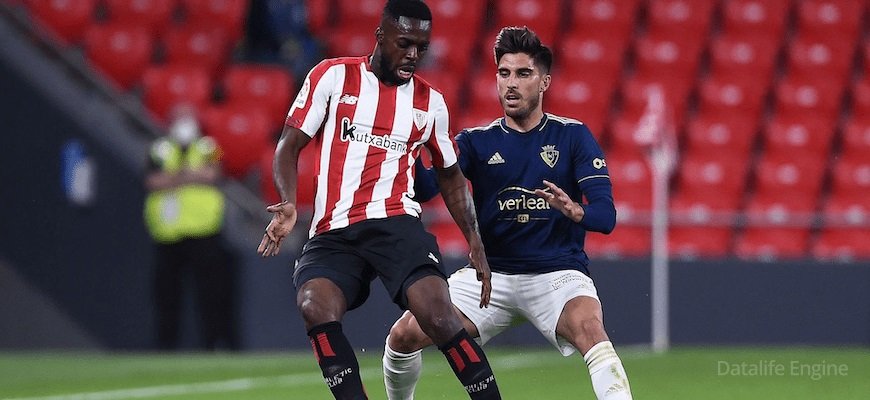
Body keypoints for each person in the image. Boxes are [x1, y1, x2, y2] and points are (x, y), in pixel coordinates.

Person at [257, 1, 501, 399]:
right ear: (380, 36)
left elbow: (450, 175)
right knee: (313, 305)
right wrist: (287, 201)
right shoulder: (333, 76)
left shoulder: (430, 103)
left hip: (396, 223)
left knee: (438, 314)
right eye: (405, 43)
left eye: (422, 47)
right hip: (333, 229)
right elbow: (289, 144)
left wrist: (474, 238)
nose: (413, 55)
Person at [382, 26, 633, 399]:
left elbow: (606, 217)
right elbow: (424, 189)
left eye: (523, 73)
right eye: (504, 73)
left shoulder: (572, 136)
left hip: (557, 275)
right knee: (403, 335)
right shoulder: (476, 142)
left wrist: (576, 211)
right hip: (492, 278)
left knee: (591, 331)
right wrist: (412, 145)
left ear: (544, 82)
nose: (511, 84)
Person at [144, 106, 238, 350]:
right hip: (168, 233)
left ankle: (213, 344)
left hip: (204, 231)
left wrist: (174, 177)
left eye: (188, 117)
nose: (184, 122)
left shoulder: (209, 147)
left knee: (210, 293)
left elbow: (215, 173)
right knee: (166, 294)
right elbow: (153, 180)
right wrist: (189, 175)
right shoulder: (159, 149)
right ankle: (166, 347)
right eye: (179, 117)